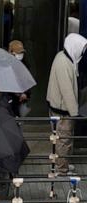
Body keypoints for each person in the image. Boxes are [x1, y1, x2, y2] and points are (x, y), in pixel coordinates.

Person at [46, 33, 87, 175]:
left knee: (60, 139)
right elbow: (67, 90)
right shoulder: (64, 63)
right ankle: (61, 170)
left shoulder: (63, 57)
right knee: (64, 140)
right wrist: (75, 113)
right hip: (63, 110)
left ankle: (61, 164)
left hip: (59, 107)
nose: (82, 52)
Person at [7, 40, 32, 117]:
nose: (20, 55)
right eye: (18, 53)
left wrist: (26, 94)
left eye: (21, 53)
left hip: (21, 99)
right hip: (10, 99)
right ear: (11, 52)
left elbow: (28, 80)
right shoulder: (7, 65)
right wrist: (18, 94)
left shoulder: (24, 64)